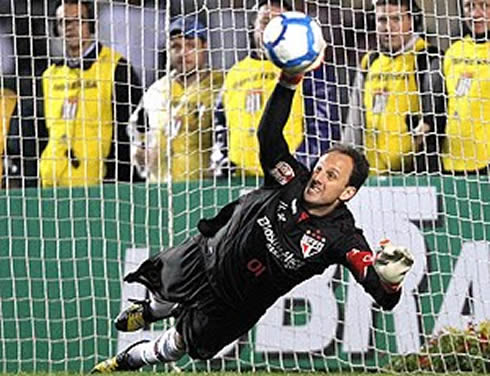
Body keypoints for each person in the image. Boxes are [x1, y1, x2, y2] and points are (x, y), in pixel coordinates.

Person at [91, 56, 414, 372]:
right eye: (319, 168)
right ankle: (151, 311)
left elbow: (383, 297)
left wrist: (390, 281)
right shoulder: (289, 178)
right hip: (206, 255)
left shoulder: (343, 237)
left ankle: (123, 364)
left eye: (331, 176)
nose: (317, 177)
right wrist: (289, 81)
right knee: (163, 288)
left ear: (347, 192)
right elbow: (269, 136)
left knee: (177, 346)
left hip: (234, 303)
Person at [210, 0, 340, 178]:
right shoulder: (235, 72)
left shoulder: (305, 69)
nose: (270, 32)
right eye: (264, 22)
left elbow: (321, 126)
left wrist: (298, 168)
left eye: (277, 24)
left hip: (286, 178)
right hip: (240, 178)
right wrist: (222, 162)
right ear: (253, 26)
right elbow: (220, 124)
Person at [30, 0, 143, 187]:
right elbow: (41, 133)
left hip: (100, 185)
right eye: (64, 22)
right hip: (51, 185)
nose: (71, 28)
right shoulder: (49, 75)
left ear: (91, 24)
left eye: (79, 21)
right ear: (56, 29)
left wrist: (121, 182)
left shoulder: (116, 67)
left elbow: (132, 129)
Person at [343, 0, 443, 174]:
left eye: (396, 19)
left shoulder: (428, 58)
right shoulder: (370, 61)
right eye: (382, 20)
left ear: (412, 21)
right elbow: (355, 121)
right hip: (372, 175)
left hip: (414, 176)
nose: (388, 28)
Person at [129, 15, 224, 183]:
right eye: (176, 46)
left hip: (204, 189)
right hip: (161, 188)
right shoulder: (156, 91)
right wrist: (139, 153)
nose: (183, 53)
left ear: (205, 47)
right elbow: (137, 131)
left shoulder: (221, 86)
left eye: (190, 45)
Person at [429, 0, 490, 174]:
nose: (475, 14)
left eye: (485, 6)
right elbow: (443, 105)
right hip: (452, 159)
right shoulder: (453, 51)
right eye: (469, 6)